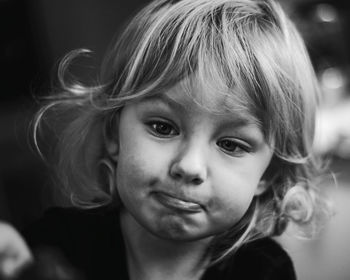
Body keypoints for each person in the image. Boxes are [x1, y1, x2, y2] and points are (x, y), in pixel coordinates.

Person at [0, 0, 331, 279]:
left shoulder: (262, 271)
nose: (189, 166)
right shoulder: (58, 243)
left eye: (231, 145)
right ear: (114, 132)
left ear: (268, 175)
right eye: (162, 127)